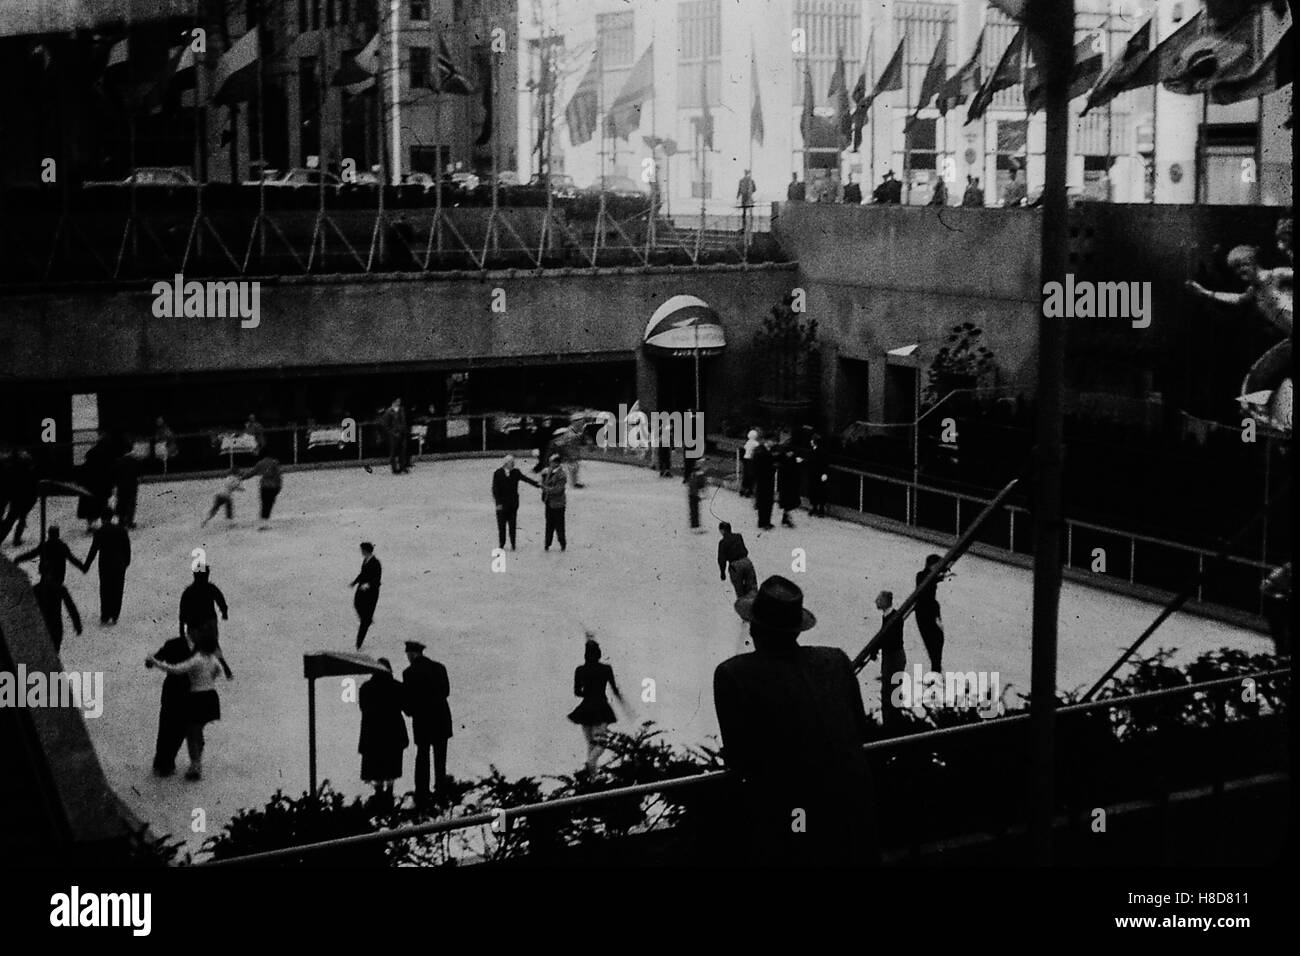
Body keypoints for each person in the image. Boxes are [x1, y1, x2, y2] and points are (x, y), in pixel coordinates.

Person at [714, 575, 878, 865]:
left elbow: (740, 758)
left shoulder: (733, 674)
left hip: (790, 823)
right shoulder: (836, 661)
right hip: (853, 815)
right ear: (797, 629)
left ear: (754, 627)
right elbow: (859, 729)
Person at [1186, 245, 1293, 415]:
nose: (1238, 272)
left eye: (1241, 266)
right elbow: (1236, 299)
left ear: (1251, 262)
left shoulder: (1276, 275)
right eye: (1235, 269)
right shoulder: (1254, 292)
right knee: (1261, 377)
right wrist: (1205, 293)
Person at [145, 627, 226, 781]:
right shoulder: (177, 644)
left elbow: (176, 669)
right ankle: (168, 763)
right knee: (171, 728)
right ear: (192, 630)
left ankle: (193, 764)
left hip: (194, 696)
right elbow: (217, 670)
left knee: (191, 731)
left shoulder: (201, 650)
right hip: (177, 694)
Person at [402, 640, 452, 807]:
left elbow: (408, 703)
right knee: (440, 759)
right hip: (441, 719)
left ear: (411, 654)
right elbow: (446, 691)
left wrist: (411, 710)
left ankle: (422, 796)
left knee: (422, 757)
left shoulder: (408, 673)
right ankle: (441, 795)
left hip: (422, 721)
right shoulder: (439, 667)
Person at [568, 635, 626, 772]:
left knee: (591, 744)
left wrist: (588, 693)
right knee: (600, 743)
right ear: (598, 654)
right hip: (600, 707)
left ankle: (591, 774)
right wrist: (620, 698)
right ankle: (590, 764)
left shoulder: (580, 670)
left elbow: (577, 692)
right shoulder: (605, 669)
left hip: (586, 708)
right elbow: (614, 689)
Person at [358, 658, 409, 808]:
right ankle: (389, 794)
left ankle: (378, 794)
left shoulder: (366, 688)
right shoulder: (397, 686)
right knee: (391, 767)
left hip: (372, 735)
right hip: (393, 734)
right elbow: (406, 707)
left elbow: (363, 708)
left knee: (375, 768)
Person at [150, 629, 195, 776]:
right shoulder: (175, 644)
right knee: (169, 728)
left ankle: (165, 760)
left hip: (187, 692)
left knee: (177, 728)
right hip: (175, 691)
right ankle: (163, 762)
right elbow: (157, 657)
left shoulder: (200, 645)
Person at [178, 567, 233, 680]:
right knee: (210, 644)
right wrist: (224, 612)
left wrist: (181, 629)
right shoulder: (209, 588)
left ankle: (191, 670)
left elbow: (183, 612)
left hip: (197, 624)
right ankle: (222, 665)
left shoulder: (189, 591)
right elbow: (220, 600)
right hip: (206, 622)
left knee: (199, 646)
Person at [82, 506, 131, 625]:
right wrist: (126, 562)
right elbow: (127, 548)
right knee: (117, 589)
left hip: (105, 564)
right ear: (112, 517)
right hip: (119, 564)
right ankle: (115, 614)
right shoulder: (121, 530)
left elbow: (93, 550)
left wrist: (86, 565)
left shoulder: (99, 532)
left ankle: (105, 614)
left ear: (102, 518)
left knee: (105, 589)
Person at [866, 590, 906, 729]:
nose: (876, 602)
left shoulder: (894, 618)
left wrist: (875, 648)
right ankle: (891, 723)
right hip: (891, 658)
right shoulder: (889, 617)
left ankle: (892, 725)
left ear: (885, 601)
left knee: (891, 693)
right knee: (888, 692)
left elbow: (888, 639)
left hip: (894, 658)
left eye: (878, 599)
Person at [491, 454, 540, 550]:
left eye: (513, 462)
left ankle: (513, 543)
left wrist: (537, 484)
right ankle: (502, 543)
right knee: (501, 525)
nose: (513, 464)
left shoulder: (516, 472)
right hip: (501, 504)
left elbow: (526, 479)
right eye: (511, 463)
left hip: (513, 504)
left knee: (512, 525)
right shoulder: (498, 473)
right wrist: (498, 503)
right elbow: (495, 490)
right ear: (505, 464)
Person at [16, 525, 87, 586]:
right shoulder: (61, 546)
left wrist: (19, 558)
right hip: (58, 574)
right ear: (58, 534)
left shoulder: (46, 546)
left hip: (47, 573)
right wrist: (82, 567)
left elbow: (32, 554)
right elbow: (72, 559)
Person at [32, 576, 82, 652]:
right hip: (56, 628)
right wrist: (77, 624)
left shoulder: (35, 589)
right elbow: (71, 607)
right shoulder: (59, 588)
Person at [78, 432, 116, 533]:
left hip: (90, 484)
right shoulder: (107, 454)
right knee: (102, 504)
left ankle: (90, 525)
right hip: (102, 484)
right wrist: (111, 485)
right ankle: (104, 524)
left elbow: (85, 469)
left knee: (90, 504)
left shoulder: (91, 452)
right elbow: (109, 471)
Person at [915, 553, 947, 672]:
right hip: (924, 613)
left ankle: (936, 668)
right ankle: (936, 669)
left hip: (930, 611)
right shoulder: (922, 575)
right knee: (933, 642)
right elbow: (927, 582)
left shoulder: (927, 575)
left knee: (938, 640)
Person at [0, 449, 38, 546]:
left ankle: (13, 538)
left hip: (15, 494)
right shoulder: (28, 470)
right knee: (16, 518)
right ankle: (15, 539)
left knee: (11, 518)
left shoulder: (9, 467)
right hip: (23, 496)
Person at [350, 542, 382, 649]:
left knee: (364, 622)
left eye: (362, 550)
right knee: (356, 603)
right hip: (361, 590)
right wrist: (354, 582)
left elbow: (377, 579)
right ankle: (367, 619)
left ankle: (359, 644)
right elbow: (362, 574)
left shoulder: (376, 563)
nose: (361, 552)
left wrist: (368, 585)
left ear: (366, 550)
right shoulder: (366, 561)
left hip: (371, 594)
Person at [717, 522, 757, 599]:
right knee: (752, 589)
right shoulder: (738, 536)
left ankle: (745, 608)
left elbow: (721, 559)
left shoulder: (722, 543)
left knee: (740, 592)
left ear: (722, 530)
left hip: (735, 566)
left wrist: (722, 572)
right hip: (746, 561)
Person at [242, 454, 282, 529]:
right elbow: (278, 475)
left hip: (263, 486)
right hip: (273, 486)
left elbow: (252, 472)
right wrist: (279, 486)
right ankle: (265, 523)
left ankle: (262, 523)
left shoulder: (260, 463)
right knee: (269, 505)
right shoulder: (274, 462)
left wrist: (242, 478)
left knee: (264, 505)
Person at [1261, 562, 1291, 657]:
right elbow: (1264, 588)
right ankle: (1281, 656)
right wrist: (1276, 595)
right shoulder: (1277, 575)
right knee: (1279, 635)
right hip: (1276, 607)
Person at [540, 453, 568, 551]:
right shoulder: (549, 471)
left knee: (559, 525)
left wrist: (546, 489)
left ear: (556, 463)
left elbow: (558, 489)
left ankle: (562, 543)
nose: (549, 464)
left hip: (558, 504)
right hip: (549, 502)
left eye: (551, 462)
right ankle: (547, 543)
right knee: (549, 524)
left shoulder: (562, 474)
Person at [110, 450, 140, 529]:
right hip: (132, 484)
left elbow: (114, 473)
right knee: (131, 503)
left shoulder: (118, 461)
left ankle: (121, 521)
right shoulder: (135, 461)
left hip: (121, 485)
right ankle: (129, 521)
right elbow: (139, 472)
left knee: (121, 502)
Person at [380, 398, 409, 474]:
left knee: (402, 451)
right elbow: (385, 425)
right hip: (393, 435)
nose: (399, 402)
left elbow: (404, 421)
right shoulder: (388, 412)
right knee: (393, 452)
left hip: (402, 433)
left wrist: (404, 430)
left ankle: (402, 467)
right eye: (397, 401)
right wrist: (392, 433)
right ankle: (394, 468)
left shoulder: (401, 410)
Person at [752, 438, 775, 530]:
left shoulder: (760, 450)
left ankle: (763, 521)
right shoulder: (762, 452)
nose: (773, 443)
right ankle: (764, 521)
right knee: (766, 501)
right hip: (765, 480)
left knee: (764, 501)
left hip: (763, 480)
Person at [777, 446, 802, 528]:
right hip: (788, 485)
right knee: (789, 503)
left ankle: (785, 518)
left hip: (789, 485)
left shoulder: (786, 460)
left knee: (788, 503)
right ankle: (786, 518)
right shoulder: (789, 461)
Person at [805, 434, 829, 516]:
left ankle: (820, 509)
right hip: (813, 474)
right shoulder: (813, 450)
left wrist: (825, 473)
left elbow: (825, 463)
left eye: (812, 440)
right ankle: (814, 507)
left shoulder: (821, 451)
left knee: (820, 491)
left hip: (819, 474)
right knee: (813, 491)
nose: (811, 441)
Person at [740, 428, 760, 497]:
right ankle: (749, 490)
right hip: (752, 460)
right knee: (751, 475)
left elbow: (745, 448)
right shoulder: (756, 443)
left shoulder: (748, 442)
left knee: (746, 474)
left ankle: (743, 489)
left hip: (746, 459)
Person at [687, 467, 707, 531]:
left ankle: (695, 525)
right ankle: (695, 525)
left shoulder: (693, 476)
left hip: (692, 494)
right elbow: (701, 485)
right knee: (695, 511)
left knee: (694, 510)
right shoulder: (699, 476)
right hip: (695, 495)